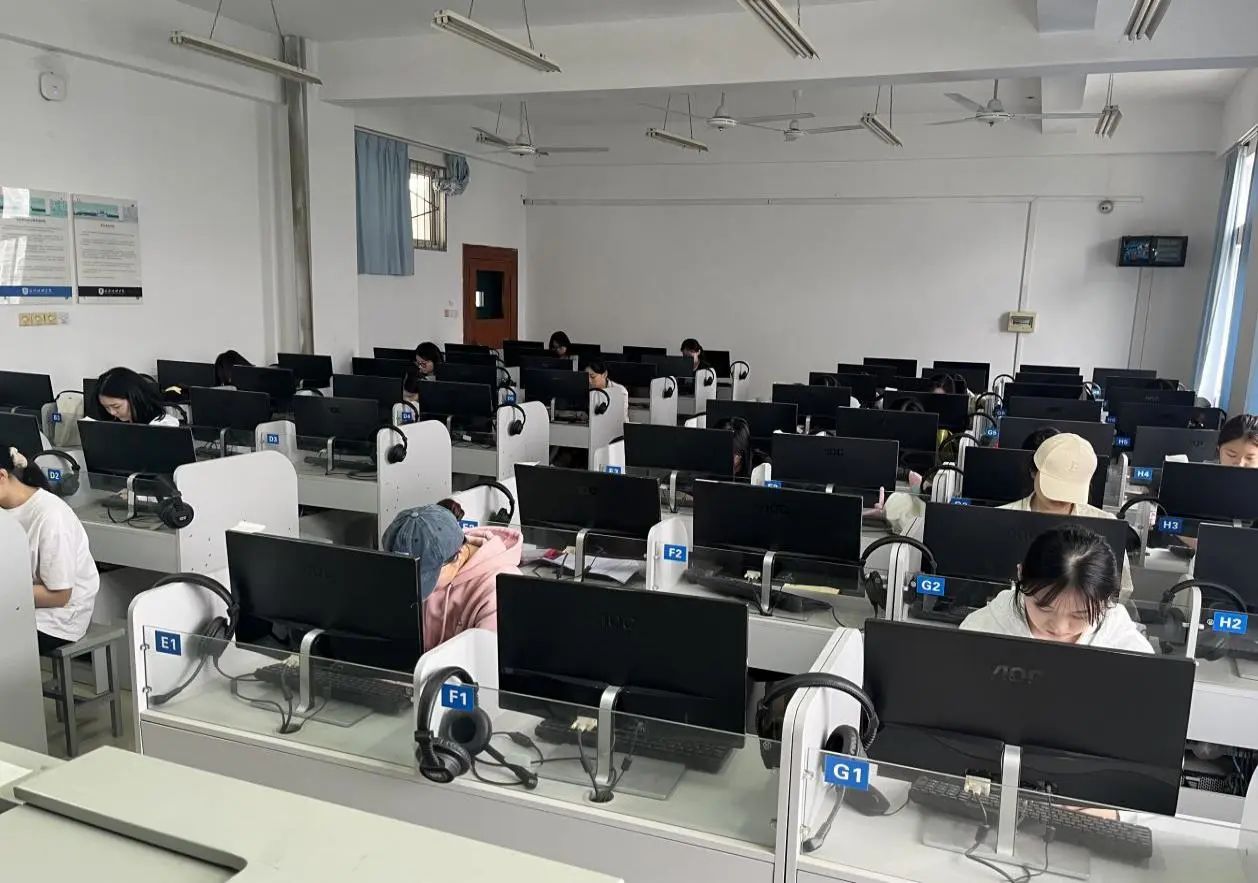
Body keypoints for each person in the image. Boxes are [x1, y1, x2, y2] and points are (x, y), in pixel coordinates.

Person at [961, 525, 1152, 652]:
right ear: (1020, 575)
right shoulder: (981, 630)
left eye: (1080, 614)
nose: (1060, 627)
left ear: (1108, 598)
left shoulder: (1126, 647)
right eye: (1044, 608)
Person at [1001, 431, 1134, 598]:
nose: (1060, 498)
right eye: (1055, 486)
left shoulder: (1106, 525)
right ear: (1034, 471)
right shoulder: (1000, 519)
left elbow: (1120, 590)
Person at [0, 444, 100, 655]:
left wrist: (6, 593)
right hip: (14, 605)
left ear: (2, 477)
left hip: (56, 617)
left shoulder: (51, 516)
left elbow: (60, 595)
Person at [382, 503, 523, 651]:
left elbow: (488, 660)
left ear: (458, 555)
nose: (415, 585)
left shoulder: (500, 592)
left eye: (426, 576)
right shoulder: (444, 551)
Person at [94, 367, 180, 426]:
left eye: (116, 406)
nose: (112, 412)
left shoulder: (164, 424)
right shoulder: (118, 422)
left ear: (135, 397)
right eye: (106, 407)